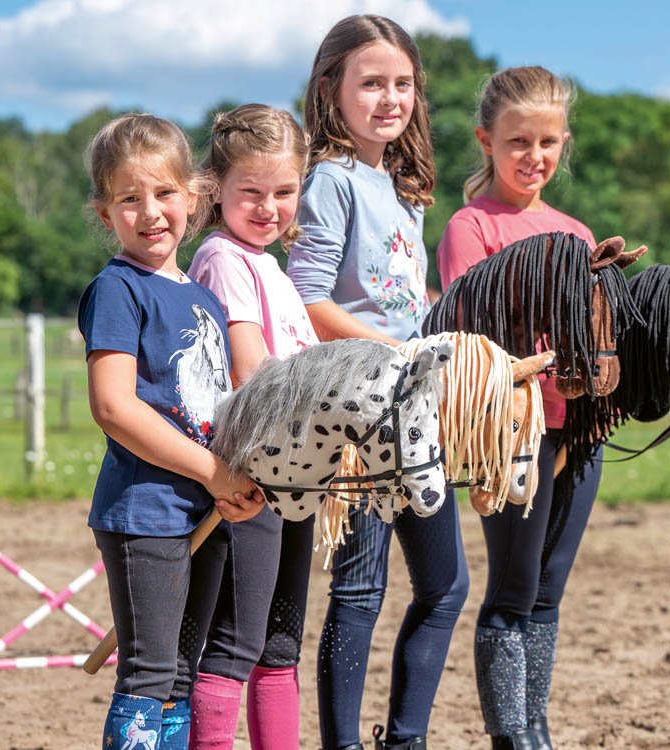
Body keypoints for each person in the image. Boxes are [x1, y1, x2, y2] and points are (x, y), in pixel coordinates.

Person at [285, 15, 468, 750]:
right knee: (360, 592)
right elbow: (311, 300)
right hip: (357, 410)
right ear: (332, 91)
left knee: (445, 586)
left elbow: (404, 299)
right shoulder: (331, 181)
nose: (390, 98)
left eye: (402, 84)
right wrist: (401, 348)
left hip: (413, 407)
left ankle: (405, 740)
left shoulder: (405, 192)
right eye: (371, 84)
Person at [77, 113, 264, 750]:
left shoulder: (203, 298)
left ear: (193, 194)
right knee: (150, 675)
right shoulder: (117, 290)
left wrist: (231, 479)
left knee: (182, 677)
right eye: (130, 199)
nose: (151, 212)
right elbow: (114, 407)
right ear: (106, 214)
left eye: (163, 194)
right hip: (146, 512)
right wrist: (214, 472)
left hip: (203, 508)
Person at [436, 66, 605, 750]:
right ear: (486, 141)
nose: (534, 157)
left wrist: (598, 371)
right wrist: (544, 376)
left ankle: (537, 729)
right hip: (512, 435)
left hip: (579, 433)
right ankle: (512, 738)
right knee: (513, 588)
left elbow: (595, 335)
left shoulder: (576, 232)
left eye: (547, 142)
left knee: (549, 589)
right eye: (518, 142)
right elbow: (470, 342)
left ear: (564, 142)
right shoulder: (470, 228)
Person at [184, 103, 319, 750]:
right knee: (236, 641)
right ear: (217, 188)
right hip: (250, 475)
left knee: (282, 640)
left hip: (297, 471)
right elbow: (253, 371)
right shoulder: (223, 257)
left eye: (285, 191)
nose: (269, 207)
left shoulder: (271, 265)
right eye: (252, 192)